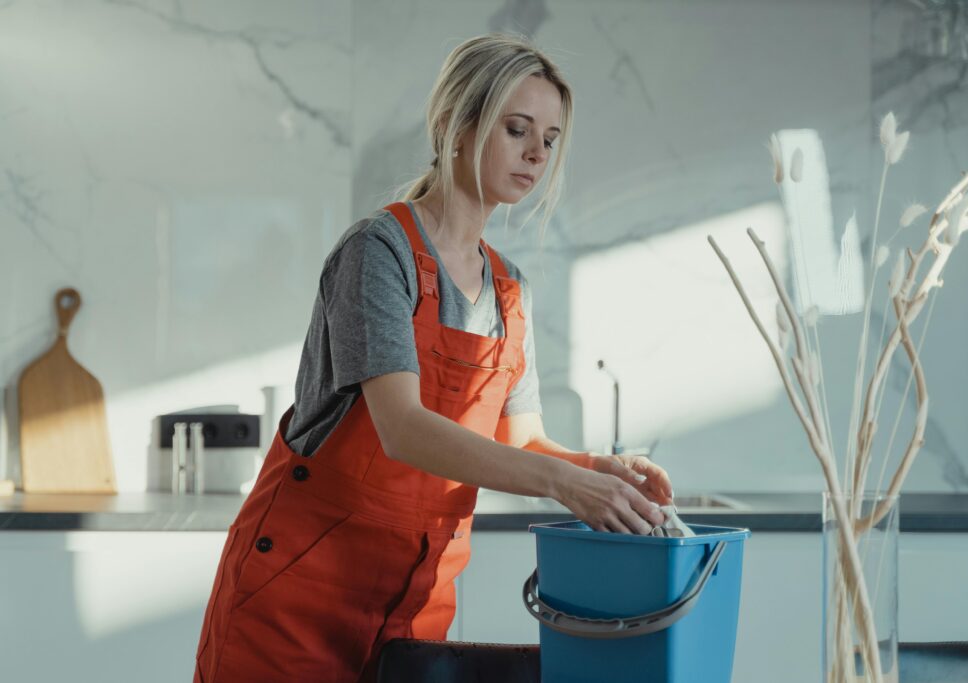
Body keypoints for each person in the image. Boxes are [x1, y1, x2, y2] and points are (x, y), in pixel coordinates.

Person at [194, 32, 673, 683]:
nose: (536, 153)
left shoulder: (509, 291)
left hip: (411, 611)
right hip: (295, 602)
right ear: (453, 123)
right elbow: (402, 426)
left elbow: (523, 440)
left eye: (551, 138)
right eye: (517, 128)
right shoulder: (378, 252)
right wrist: (567, 486)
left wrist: (601, 473)